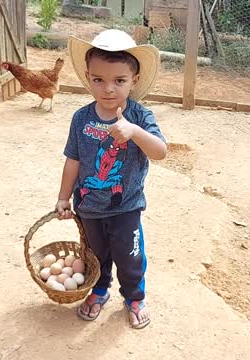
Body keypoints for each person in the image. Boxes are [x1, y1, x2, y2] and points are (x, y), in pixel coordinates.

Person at [55, 29, 167, 329]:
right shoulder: (81, 118)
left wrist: (135, 132)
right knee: (94, 257)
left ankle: (133, 297)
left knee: (129, 258)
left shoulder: (141, 116)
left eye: (119, 80)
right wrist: (64, 198)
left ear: (135, 80)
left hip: (125, 208)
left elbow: (160, 152)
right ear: (88, 77)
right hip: (88, 207)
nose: (108, 89)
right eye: (98, 80)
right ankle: (99, 289)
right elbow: (73, 160)